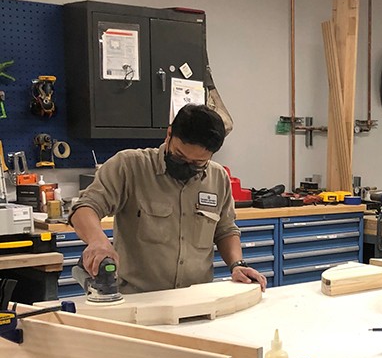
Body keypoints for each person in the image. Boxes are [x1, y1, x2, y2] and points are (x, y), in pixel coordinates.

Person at [69, 104, 267, 294]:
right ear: (169, 134)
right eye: (180, 156)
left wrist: (237, 264)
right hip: (139, 300)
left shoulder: (218, 178)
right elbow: (85, 208)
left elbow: (225, 230)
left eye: (198, 163)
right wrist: (98, 242)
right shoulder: (129, 167)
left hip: (197, 299)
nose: (186, 166)